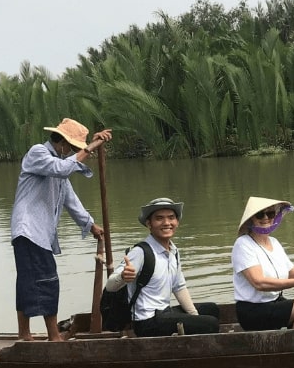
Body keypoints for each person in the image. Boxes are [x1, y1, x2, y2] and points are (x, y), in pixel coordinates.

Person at [11, 117, 111, 341]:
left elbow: (71, 201)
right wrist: (92, 146)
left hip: (37, 234)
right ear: (63, 143)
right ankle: (52, 336)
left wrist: (90, 224)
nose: (74, 152)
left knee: (29, 281)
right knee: (47, 281)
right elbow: (63, 168)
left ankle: (25, 336)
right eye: (74, 147)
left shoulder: (59, 167)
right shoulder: (39, 153)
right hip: (29, 230)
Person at [104, 197, 219, 337]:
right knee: (211, 323)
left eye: (171, 218)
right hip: (147, 321)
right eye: (159, 218)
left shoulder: (173, 251)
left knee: (212, 309)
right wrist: (122, 277)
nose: (167, 223)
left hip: (164, 313)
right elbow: (110, 286)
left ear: (177, 222)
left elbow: (179, 287)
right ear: (149, 224)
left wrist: (194, 317)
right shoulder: (140, 252)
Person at [231, 196, 294, 330]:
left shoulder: (274, 242)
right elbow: (259, 283)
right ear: (251, 219)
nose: (266, 218)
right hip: (253, 310)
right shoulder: (243, 244)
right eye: (260, 214)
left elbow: (293, 273)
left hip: (275, 302)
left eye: (270, 213)